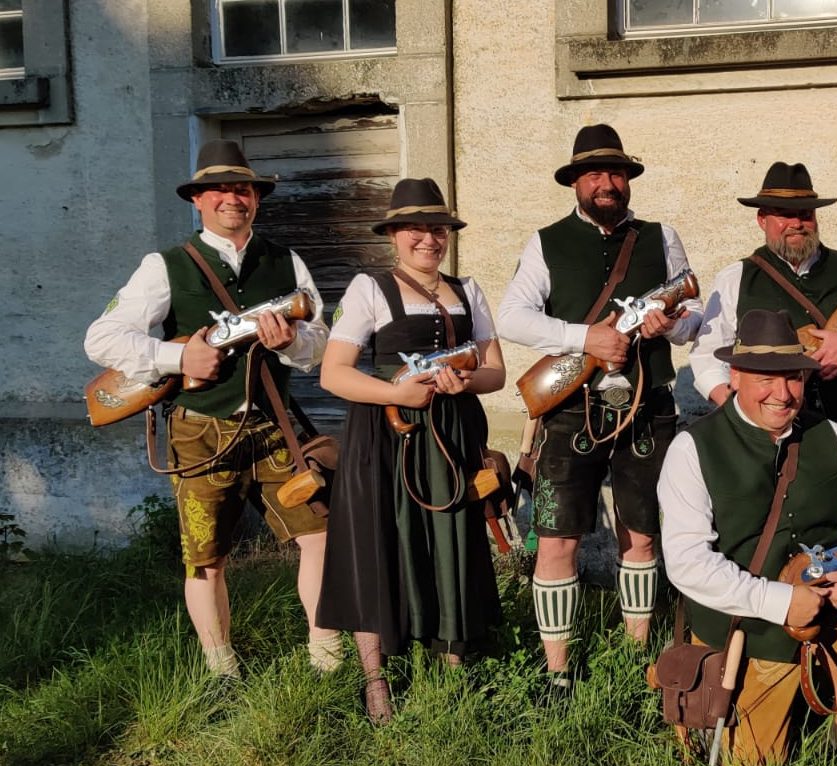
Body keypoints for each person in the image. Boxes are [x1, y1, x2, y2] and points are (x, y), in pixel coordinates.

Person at [85, 139, 339, 681]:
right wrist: (179, 357)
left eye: (242, 188)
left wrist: (290, 342)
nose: (232, 198)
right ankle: (221, 671)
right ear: (197, 200)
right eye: (219, 189)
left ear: (256, 198)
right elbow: (102, 338)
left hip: (272, 427)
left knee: (320, 536)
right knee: (206, 559)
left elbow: (320, 345)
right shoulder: (165, 265)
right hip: (199, 430)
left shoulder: (286, 261)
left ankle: (326, 659)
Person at [660, 309, 837, 766]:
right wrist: (781, 602)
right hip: (749, 624)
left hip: (834, 603)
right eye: (766, 379)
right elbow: (687, 562)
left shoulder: (832, 436)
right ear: (735, 376)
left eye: (793, 378)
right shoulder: (692, 448)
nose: (782, 394)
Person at [497, 124, 702, 695]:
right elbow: (512, 317)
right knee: (557, 539)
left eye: (615, 172)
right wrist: (584, 337)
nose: (606, 183)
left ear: (628, 180)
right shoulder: (546, 241)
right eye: (593, 174)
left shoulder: (661, 237)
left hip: (647, 406)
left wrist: (669, 324)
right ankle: (558, 672)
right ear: (576, 183)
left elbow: (694, 320)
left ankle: (636, 660)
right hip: (570, 407)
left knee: (643, 535)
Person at [315, 178, 504, 722]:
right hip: (385, 436)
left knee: (451, 542)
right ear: (394, 234)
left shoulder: (469, 290)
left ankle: (452, 668)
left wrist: (462, 382)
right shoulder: (369, 288)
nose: (429, 238)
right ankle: (376, 680)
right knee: (377, 545)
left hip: (451, 434)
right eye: (416, 228)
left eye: (438, 228)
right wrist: (398, 394)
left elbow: (495, 372)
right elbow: (334, 374)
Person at [690, 161, 837, 425]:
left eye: (805, 214)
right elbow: (707, 355)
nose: (797, 223)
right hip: (765, 431)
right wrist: (734, 407)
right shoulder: (735, 278)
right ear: (762, 219)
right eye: (784, 214)